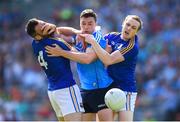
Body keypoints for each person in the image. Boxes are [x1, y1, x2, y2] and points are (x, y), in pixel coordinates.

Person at [44, 9, 114, 121]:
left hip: (102, 89)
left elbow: (87, 59)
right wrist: (76, 31)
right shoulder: (78, 37)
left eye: (90, 24)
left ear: (95, 24)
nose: (86, 27)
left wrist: (61, 52)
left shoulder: (97, 37)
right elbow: (57, 31)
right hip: (85, 90)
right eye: (83, 24)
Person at [80, 15, 143, 121]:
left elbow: (108, 60)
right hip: (109, 88)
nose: (129, 28)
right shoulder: (112, 36)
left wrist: (94, 42)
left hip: (125, 90)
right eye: (128, 24)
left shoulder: (131, 46)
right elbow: (99, 47)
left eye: (133, 28)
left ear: (136, 32)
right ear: (123, 23)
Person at [25, 18, 84, 121]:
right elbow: (80, 55)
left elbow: (58, 31)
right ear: (38, 36)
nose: (46, 26)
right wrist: (74, 41)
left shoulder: (35, 44)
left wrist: (55, 31)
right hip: (66, 89)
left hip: (53, 91)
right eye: (43, 28)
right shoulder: (55, 42)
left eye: (44, 23)